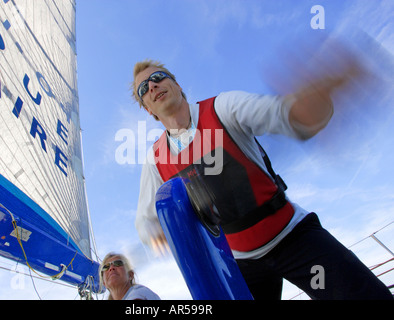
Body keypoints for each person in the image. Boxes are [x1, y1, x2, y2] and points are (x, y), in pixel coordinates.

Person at [132, 57, 393, 300]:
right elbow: (146, 220)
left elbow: (278, 113)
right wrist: (158, 232)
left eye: (158, 77)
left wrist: (301, 111)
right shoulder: (155, 160)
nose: (152, 85)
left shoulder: (223, 107)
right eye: (144, 87)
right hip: (241, 264)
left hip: (292, 237)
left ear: (176, 84)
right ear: (148, 109)